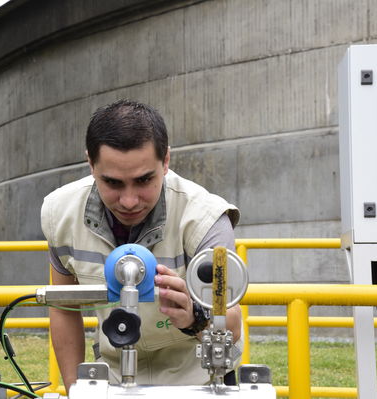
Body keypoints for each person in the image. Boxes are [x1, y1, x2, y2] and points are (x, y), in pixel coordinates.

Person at [41, 99, 242, 392]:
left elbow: (232, 326)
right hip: (111, 381)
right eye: (112, 182)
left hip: (196, 383)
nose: (129, 201)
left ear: (166, 161)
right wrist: (75, 390)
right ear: (90, 164)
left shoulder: (205, 218)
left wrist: (195, 318)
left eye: (144, 179)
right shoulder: (60, 214)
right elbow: (63, 308)